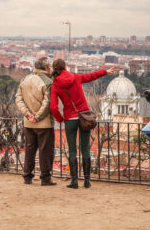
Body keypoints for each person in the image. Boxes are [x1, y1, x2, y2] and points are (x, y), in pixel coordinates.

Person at [50, 59, 114, 188]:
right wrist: (105, 71)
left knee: (72, 150)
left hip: (70, 118)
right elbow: (91, 76)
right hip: (84, 116)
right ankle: (87, 181)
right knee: (85, 149)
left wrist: (60, 118)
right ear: (65, 67)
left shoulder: (56, 85)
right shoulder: (75, 77)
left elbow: (53, 107)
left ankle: (74, 181)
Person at [15, 57, 56, 186]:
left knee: (29, 149)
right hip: (44, 123)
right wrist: (37, 117)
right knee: (45, 151)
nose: (50, 68)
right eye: (49, 66)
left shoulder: (25, 80)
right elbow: (47, 103)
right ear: (45, 67)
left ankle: (27, 176)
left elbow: (18, 99)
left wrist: (28, 114)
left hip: (28, 122)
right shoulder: (48, 82)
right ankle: (45, 178)